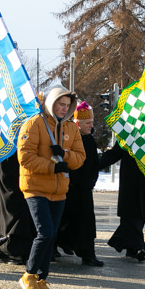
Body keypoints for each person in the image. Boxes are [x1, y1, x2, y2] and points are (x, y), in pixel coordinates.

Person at [16, 86, 85, 289]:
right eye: (60, 104)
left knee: (51, 236)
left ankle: (41, 279)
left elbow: (80, 157)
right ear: (50, 103)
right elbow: (25, 157)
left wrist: (64, 154)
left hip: (59, 190)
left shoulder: (71, 128)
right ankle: (28, 275)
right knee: (44, 232)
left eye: (67, 105)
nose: (64, 109)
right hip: (35, 187)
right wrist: (52, 166)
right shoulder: (35, 123)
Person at [57, 101, 104, 267]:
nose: (91, 126)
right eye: (88, 123)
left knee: (86, 223)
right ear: (78, 124)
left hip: (85, 189)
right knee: (65, 220)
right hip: (71, 188)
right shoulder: (71, 139)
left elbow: (94, 164)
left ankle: (88, 254)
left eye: (92, 122)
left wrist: (92, 180)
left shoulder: (90, 139)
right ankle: (59, 245)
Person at [98, 141, 145, 262]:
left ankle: (128, 246)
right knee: (131, 213)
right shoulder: (129, 131)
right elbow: (115, 153)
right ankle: (138, 246)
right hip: (131, 178)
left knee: (142, 213)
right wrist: (95, 165)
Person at [0, 152, 35, 265]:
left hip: (13, 159)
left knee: (12, 204)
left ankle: (11, 248)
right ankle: (13, 249)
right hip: (12, 161)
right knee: (13, 203)